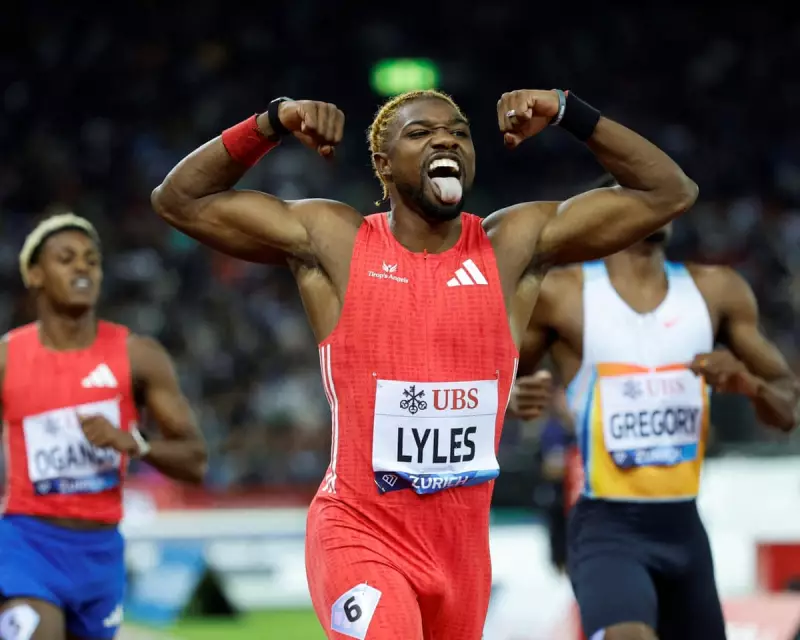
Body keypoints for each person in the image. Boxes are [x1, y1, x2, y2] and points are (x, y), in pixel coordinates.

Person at [151, 87, 698, 639]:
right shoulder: (336, 240)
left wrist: (565, 110)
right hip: (359, 534)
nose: (446, 140)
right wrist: (270, 123)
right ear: (384, 165)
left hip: (461, 556)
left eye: (459, 132)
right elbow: (180, 200)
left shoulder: (511, 246)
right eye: (421, 133)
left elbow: (669, 191)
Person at [509, 178, 800, 640]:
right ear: (604, 210)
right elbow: (492, 377)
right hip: (607, 528)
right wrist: (515, 396)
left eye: (657, 192)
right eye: (634, 192)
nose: (653, 203)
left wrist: (749, 386)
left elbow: (787, 411)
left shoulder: (716, 291)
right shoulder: (564, 295)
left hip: (685, 529)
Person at [0, 214, 208, 640]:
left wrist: (135, 444)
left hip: (101, 554)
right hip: (26, 546)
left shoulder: (138, 356)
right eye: (66, 258)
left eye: (91, 260)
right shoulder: (6, 359)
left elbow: (195, 461)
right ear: (35, 275)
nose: (82, 267)